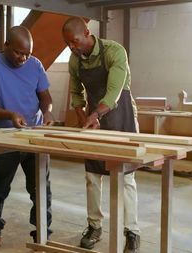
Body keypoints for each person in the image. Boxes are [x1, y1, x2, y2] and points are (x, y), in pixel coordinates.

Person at [62, 17, 140, 253]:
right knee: (93, 175)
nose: (73, 47)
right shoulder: (75, 60)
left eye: (75, 42)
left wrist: (93, 115)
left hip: (121, 114)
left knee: (125, 177)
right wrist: (82, 116)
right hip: (94, 116)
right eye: (68, 44)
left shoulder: (114, 51)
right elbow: (76, 93)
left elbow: (115, 93)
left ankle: (132, 231)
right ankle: (94, 226)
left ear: (87, 33)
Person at [0, 26, 54, 251]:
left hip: (34, 135)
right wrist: (9, 114)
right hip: (5, 137)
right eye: (19, 52)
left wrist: (47, 111)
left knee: (40, 188)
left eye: (27, 54)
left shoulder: (35, 64)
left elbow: (45, 96)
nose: (23, 58)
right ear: (6, 45)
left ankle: (42, 234)